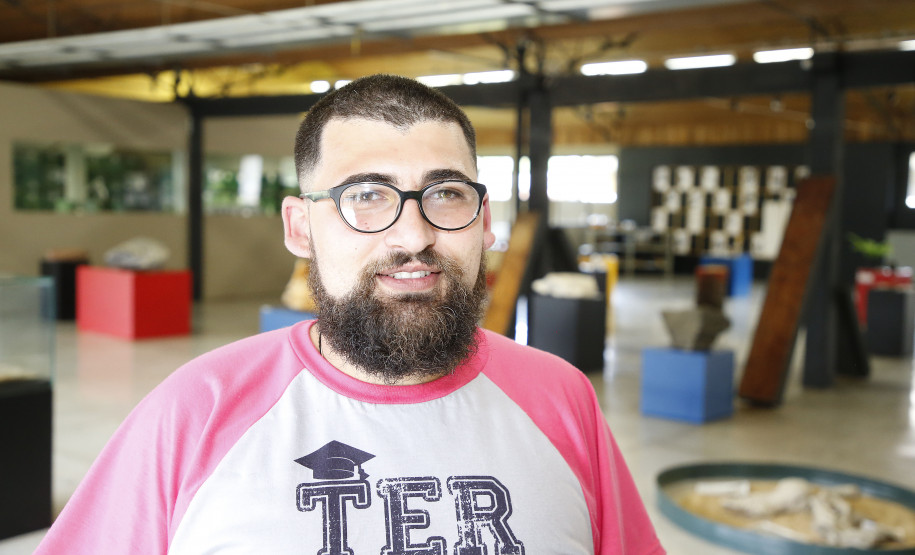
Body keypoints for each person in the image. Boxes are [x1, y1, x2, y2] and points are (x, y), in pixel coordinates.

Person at [36, 74, 665, 554]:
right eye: (366, 196)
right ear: (300, 226)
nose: (412, 235)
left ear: (485, 219)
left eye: (446, 194)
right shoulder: (195, 412)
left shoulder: (563, 400)